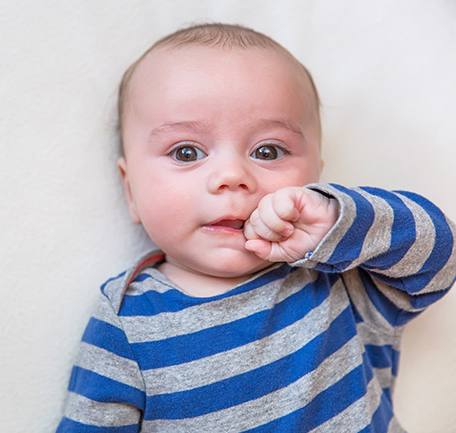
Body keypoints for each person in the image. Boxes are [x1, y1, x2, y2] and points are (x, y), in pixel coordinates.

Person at [56, 23, 456, 432]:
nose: (232, 175)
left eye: (268, 151)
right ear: (131, 190)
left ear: (316, 174)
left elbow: (442, 255)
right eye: (186, 152)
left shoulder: (339, 275)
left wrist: (337, 222)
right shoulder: (127, 321)